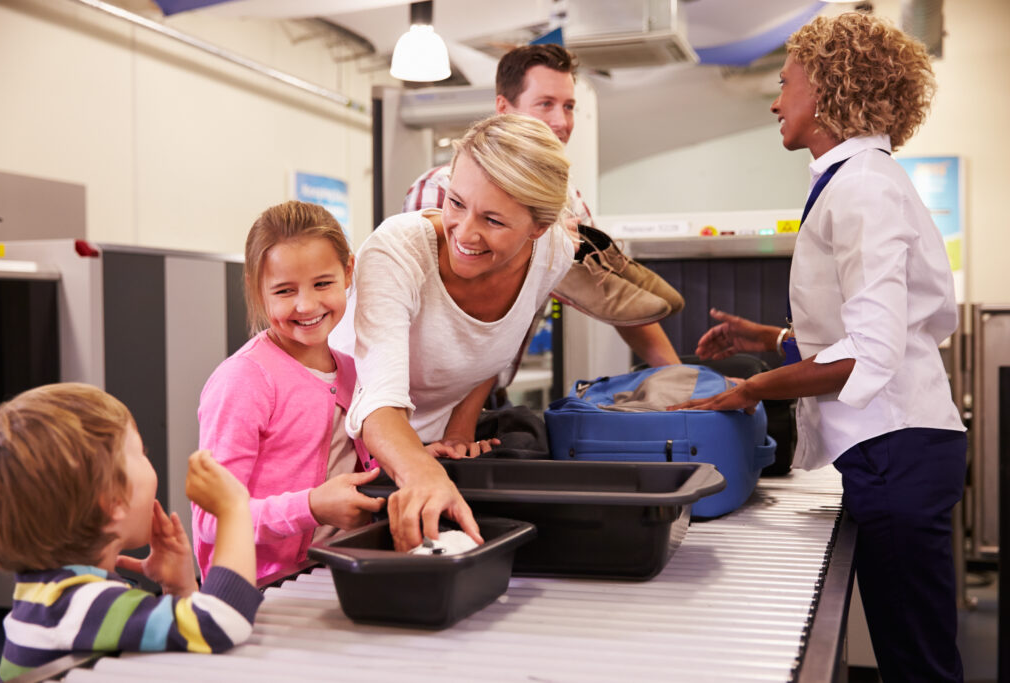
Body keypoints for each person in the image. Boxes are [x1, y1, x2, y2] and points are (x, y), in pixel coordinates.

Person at [670, 13, 966, 682]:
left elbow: (869, 354)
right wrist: (770, 339)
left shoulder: (862, 186)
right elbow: (876, 328)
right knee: (911, 652)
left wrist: (750, 388)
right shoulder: (856, 180)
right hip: (900, 444)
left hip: (898, 447)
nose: (775, 101)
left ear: (829, 87)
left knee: (916, 665)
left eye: (784, 83)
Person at [334, 113, 574, 550]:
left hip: (426, 455)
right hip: (341, 451)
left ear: (538, 228)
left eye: (494, 221)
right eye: (456, 202)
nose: (465, 233)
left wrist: (459, 432)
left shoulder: (554, 252)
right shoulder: (398, 252)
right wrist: (424, 474)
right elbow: (378, 404)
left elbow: (492, 343)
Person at [404, 43, 684, 370]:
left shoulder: (568, 200)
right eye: (545, 104)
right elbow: (436, 300)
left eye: (568, 106)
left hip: (490, 385)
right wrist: (542, 249)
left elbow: (618, 302)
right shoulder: (442, 187)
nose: (561, 121)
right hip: (423, 383)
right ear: (504, 109)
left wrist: (680, 378)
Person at [0, 383, 262, 681]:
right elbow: (221, 624)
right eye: (140, 451)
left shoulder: (51, 594)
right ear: (114, 500)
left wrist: (179, 590)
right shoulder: (78, 605)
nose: (148, 457)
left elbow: (180, 643)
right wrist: (234, 510)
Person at [194, 201, 385, 582]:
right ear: (255, 287)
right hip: (260, 590)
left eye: (322, 283)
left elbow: (352, 463)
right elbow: (212, 519)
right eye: (284, 290)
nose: (306, 304)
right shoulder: (244, 381)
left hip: (336, 573)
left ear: (348, 272)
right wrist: (312, 507)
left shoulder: (350, 369)